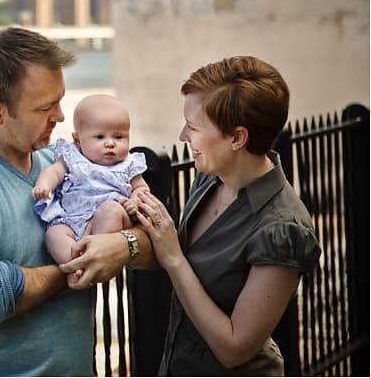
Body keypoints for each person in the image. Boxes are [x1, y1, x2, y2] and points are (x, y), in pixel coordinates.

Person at [60, 56, 321, 375]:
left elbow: (234, 350)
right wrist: (123, 244)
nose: (183, 136)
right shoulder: (211, 178)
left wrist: (174, 258)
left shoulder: (284, 228)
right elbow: (164, 249)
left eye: (194, 127)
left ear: (237, 138)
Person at [0, 27, 134, 376]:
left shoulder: (55, 166)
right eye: (45, 107)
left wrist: (124, 245)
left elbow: (150, 230)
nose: (60, 116)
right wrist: (75, 268)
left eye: (59, 100)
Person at [32, 94, 149, 270]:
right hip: (72, 219)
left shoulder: (129, 163)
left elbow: (141, 188)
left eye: (119, 137)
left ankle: (98, 257)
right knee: (54, 234)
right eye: (100, 137)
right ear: (78, 140)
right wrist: (44, 186)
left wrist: (135, 200)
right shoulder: (72, 156)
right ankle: (75, 265)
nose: (110, 143)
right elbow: (54, 172)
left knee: (109, 210)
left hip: (109, 219)